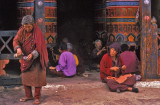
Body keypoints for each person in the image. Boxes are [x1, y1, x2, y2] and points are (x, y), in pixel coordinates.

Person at [13, 15, 48, 104]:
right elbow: (16, 40)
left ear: (33, 25)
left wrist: (32, 55)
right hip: (25, 57)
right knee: (25, 77)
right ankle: (28, 95)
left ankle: (37, 97)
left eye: (29, 26)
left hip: (36, 58)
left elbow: (39, 47)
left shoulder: (38, 32)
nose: (27, 28)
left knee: (37, 78)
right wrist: (18, 48)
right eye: (25, 26)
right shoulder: (21, 30)